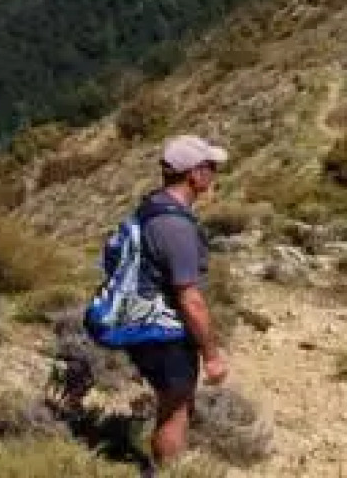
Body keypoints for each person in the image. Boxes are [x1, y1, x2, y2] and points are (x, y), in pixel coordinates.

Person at [123, 134, 232, 466]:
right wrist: (211, 355)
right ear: (194, 175)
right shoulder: (176, 226)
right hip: (165, 331)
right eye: (210, 167)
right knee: (176, 409)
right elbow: (190, 299)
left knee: (171, 402)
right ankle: (167, 471)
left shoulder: (152, 205)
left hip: (143, 321)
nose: (214, 174)